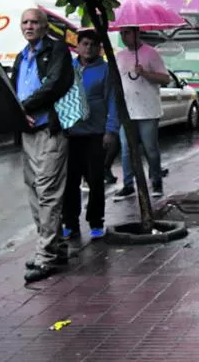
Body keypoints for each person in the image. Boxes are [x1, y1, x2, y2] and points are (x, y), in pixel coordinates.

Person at [12, 7, 74, 284]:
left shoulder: (56, 50)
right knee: (35, 190)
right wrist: (16, 111)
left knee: (48, 192)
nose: (29, 26)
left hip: (50, 130)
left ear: (45, 26)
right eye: (25, 22)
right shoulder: (20, 57)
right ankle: (56, 247)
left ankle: (45, 256)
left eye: (34, 22)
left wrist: (24, 106)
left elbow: (55, 84)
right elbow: (13, 89)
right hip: (28, 132)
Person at [61, 29, 119, 241]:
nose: (88, 48)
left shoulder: (105, 70)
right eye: (84, 44)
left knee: (95, 180)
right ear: (77, 46)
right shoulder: (69, 68)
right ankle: (70, 222)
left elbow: (113, 101)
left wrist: (110, 130)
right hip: (71, 133)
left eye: (93, 45)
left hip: (96, 133)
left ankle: (96, 221)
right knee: (70, 181)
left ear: (99, 48)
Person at [113, 26, 171, 200]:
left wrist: (145, 73)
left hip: (148, 110)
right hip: (127, 111)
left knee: (150, 149)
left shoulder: (151, 53)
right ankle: (128, 184)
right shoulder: (120, 56)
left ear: (137, 33)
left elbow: (165, 78)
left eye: (127, 33)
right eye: (121, 33)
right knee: (126, 150)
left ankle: (156, 181)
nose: (124, 36)